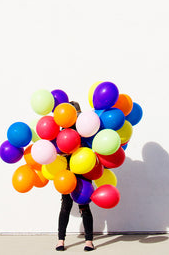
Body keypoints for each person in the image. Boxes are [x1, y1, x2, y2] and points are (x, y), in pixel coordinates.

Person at [56, 101, 95, 252]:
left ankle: (89, 241)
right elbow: (58, 148)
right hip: (67, 171)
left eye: (77, 113)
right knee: (65, 205)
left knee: (84, 205)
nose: (75, 116)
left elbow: (90, 148)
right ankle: (61, 240)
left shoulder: (85, 128)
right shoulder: (63, 129)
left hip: (83, 170)